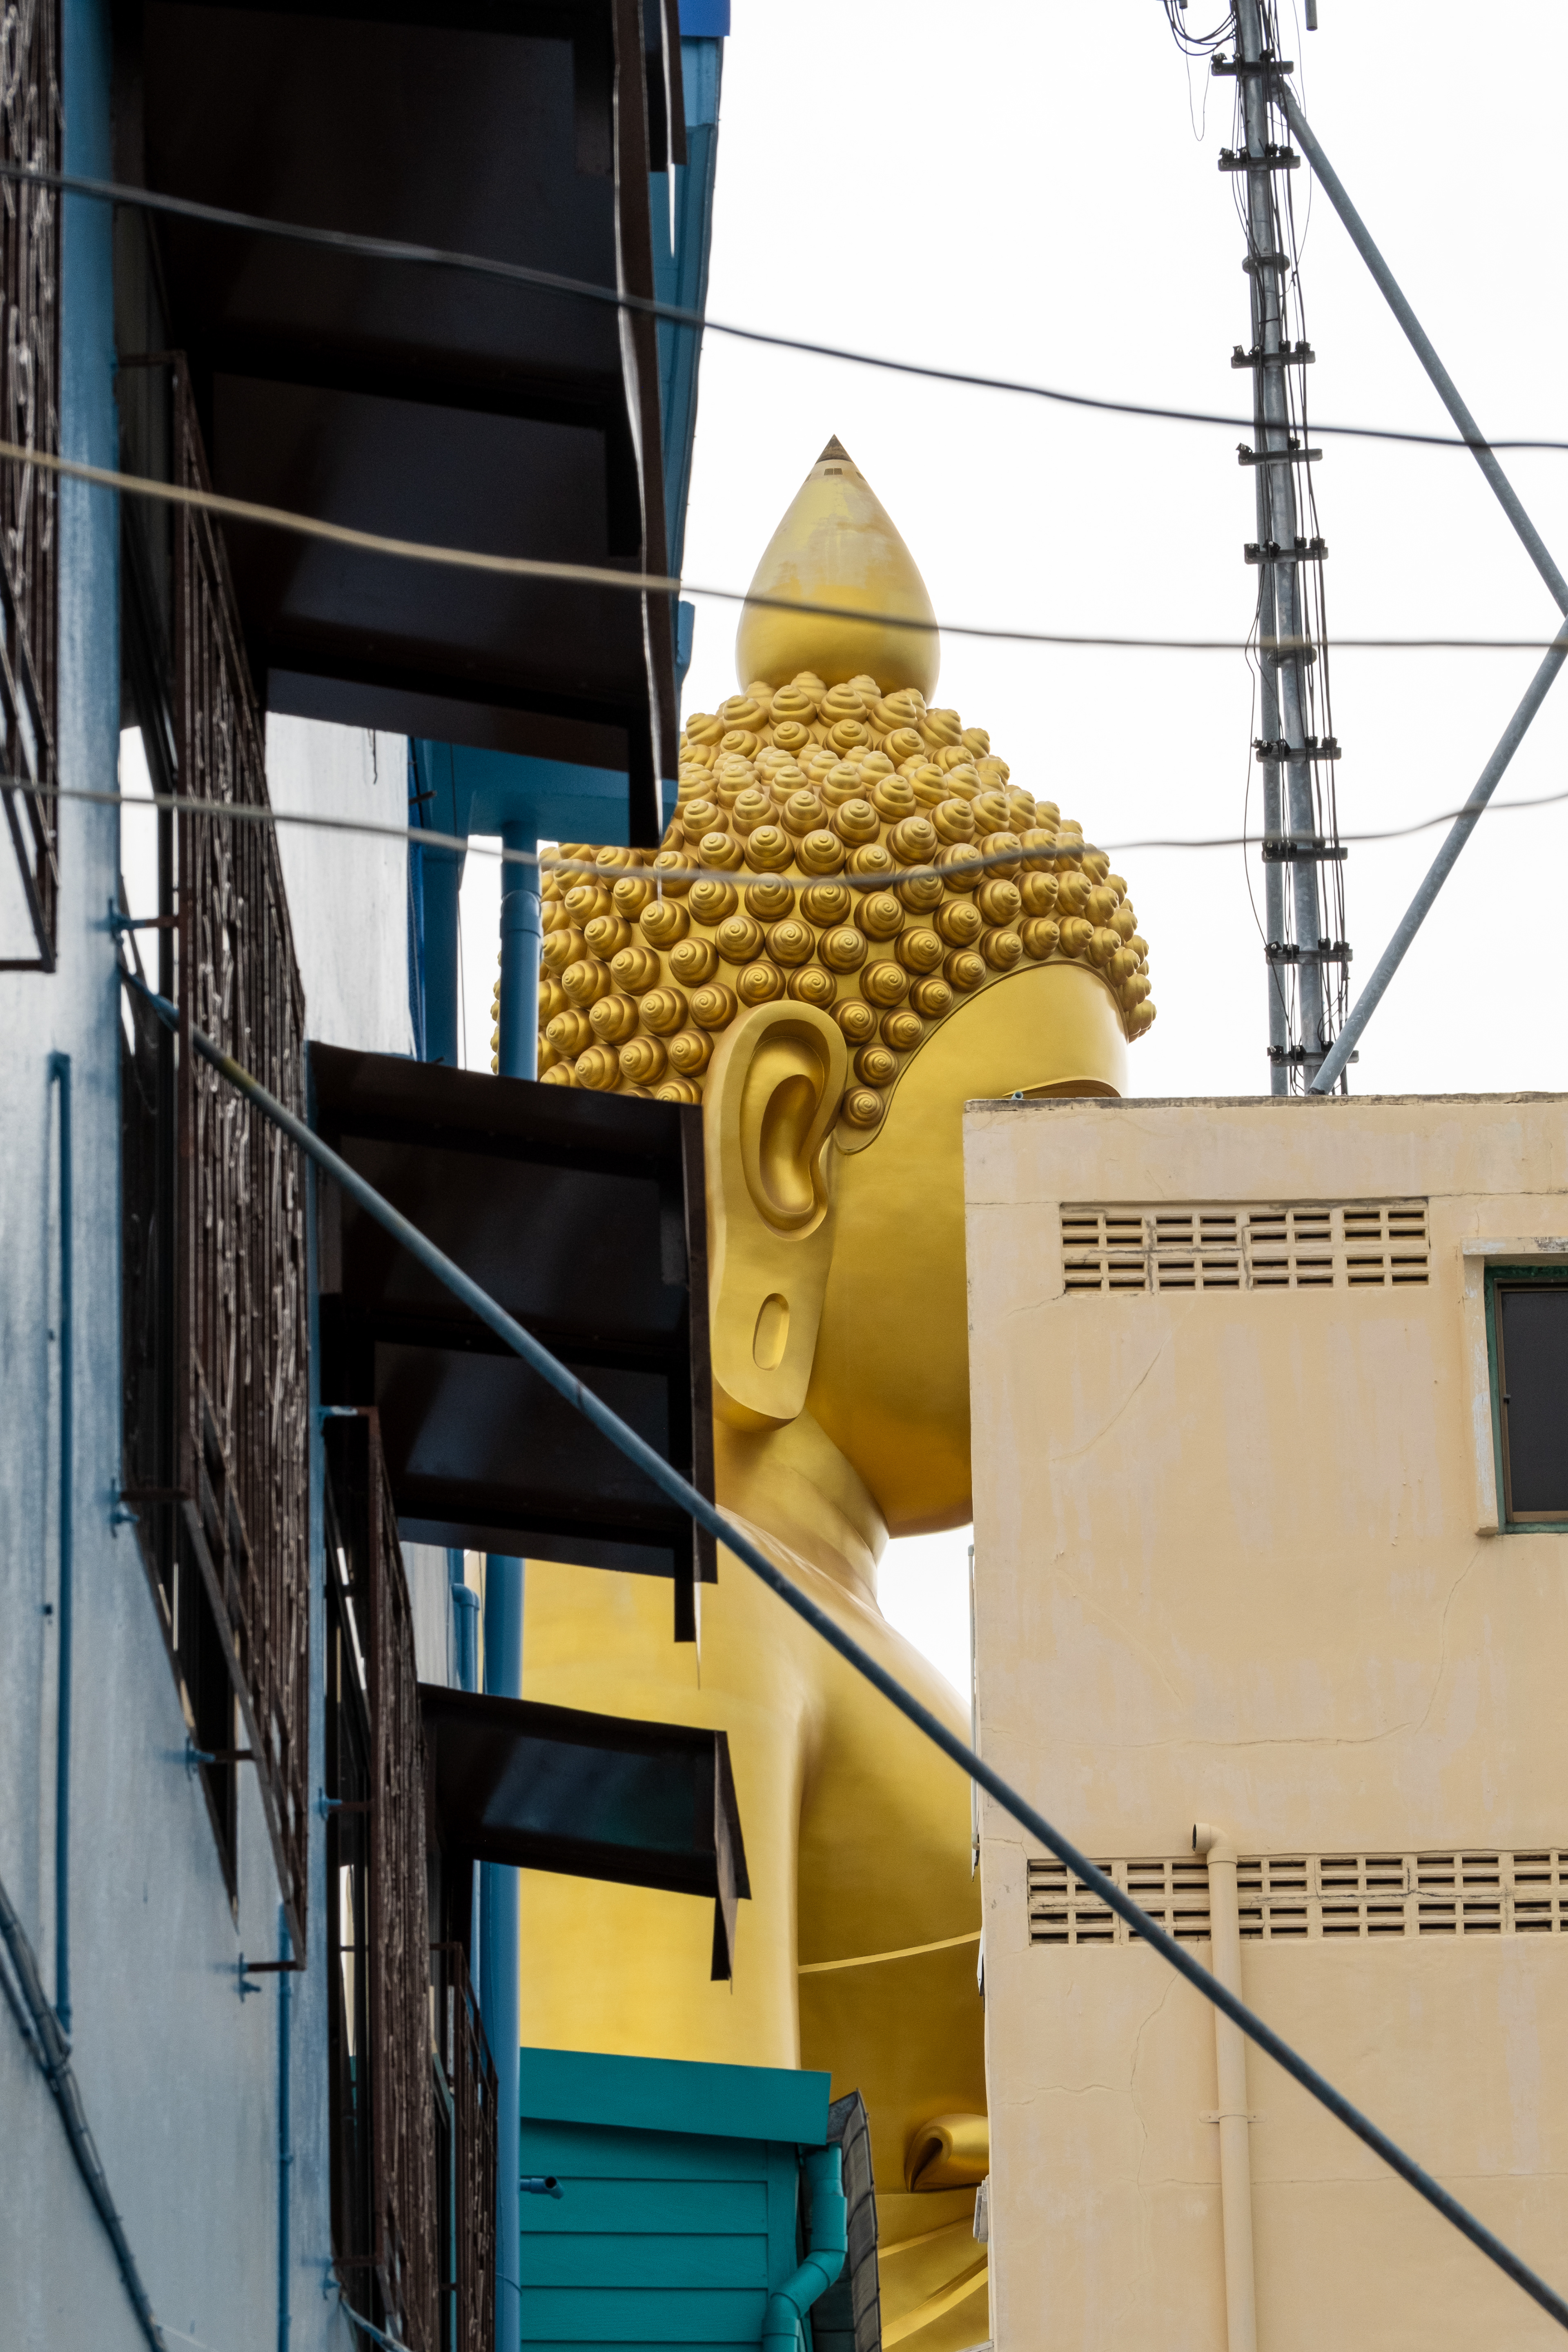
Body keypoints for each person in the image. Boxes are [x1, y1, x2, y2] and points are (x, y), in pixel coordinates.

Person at [520, 440, 1154, 2352]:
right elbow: (640, 2215)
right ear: (786, 1142)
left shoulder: (835, 1620)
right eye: (1055, 1167)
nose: (1102, 1256)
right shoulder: (668, 1600)